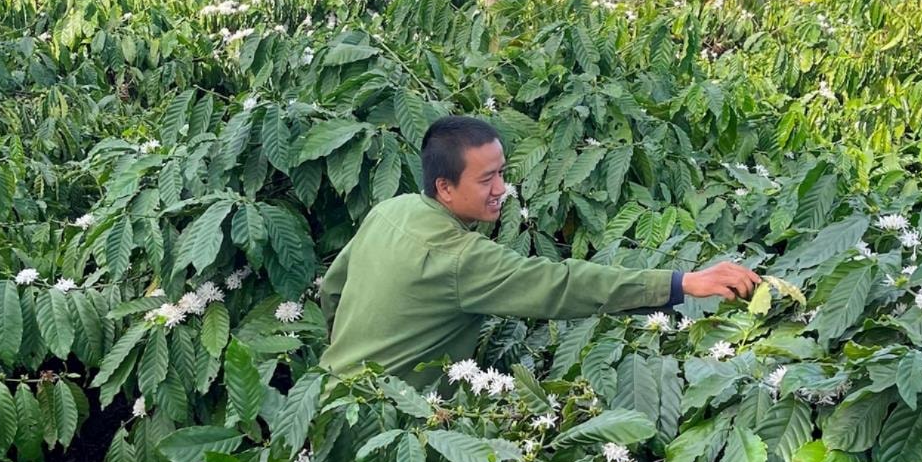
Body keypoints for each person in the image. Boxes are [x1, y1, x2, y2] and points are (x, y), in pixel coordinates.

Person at [320, 115, 760, 382]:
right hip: (381, 420)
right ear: (444, 187)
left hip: (328, 393)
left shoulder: (390, 211)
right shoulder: (460, 258)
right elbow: (560, 285)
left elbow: (332, 293)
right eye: (486, 179)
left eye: (502, 172)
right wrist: (685, 282)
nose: (501, 188)